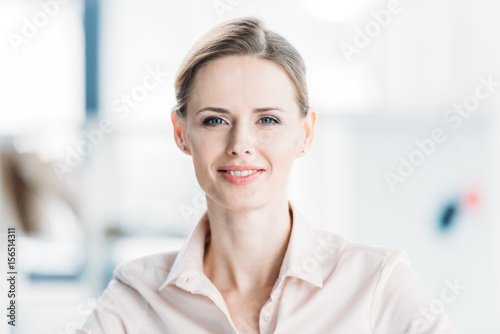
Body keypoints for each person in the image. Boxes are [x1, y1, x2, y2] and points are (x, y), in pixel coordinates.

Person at [77, 16, 458, 334]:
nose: (240, 143)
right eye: (215, 120)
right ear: (181, 133)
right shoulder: (136, 296)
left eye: (268, 120)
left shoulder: (376, 283)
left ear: (305, 133)